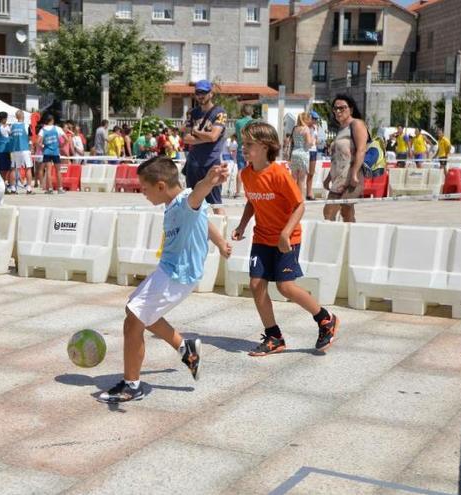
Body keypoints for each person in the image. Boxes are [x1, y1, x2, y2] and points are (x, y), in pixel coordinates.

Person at [96, 156, 230, 403]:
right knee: (134, 310)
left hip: (178, 275)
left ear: (160, 186)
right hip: (167, 270)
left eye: (145, 189)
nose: (144, 195)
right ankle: (185, 348)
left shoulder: (184, 202)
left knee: (134, 321)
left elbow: (198, 194)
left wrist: (209, 182)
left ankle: (132, 386)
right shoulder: (177, 205)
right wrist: (221, 242)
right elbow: (203, 220)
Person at [232, 121, 339, 356]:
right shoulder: (246, 173)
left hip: (286, 238)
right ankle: (274, 337)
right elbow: (252, 201)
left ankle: (325, 320)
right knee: (256, 285)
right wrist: (242, 225)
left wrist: (285, 233)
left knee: (286, 287)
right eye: (243, 143)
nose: (243, 147)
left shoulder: (279, 173)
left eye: (249, 144)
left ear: (265, 147)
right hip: (262, 237)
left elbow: (299, 205)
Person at [182, 79, 228, 215]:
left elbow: (214, 136)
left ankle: (222, 234)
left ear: (211, 93)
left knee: (215, 203)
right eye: (198, 93)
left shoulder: (219, 113)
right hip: (193, 163)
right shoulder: (193, 113)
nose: (200, 96)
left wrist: (196, 132)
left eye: (204, 92)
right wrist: (206, 137)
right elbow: (186, 138)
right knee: (192, 202)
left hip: (211, 163)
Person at [323, 94, 367, 223]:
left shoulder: (356, 124)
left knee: (343, 210)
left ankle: (349, 238)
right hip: (339, 178)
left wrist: (354, 174)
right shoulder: (341, 128)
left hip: (352, 177)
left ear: (351, 110)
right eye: (335, 108)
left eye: (342, 108)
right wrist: (328, 178)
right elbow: (338, 158)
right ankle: (339, 238)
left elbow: (361, 150)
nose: (338, 111)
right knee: (330, 212)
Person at [286, 112, 313, 199]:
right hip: (303, 153)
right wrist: (312, 142)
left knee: (294, 177)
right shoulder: (306, 129)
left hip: (294, 153)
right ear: (306, 119)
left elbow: (292, 142)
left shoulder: (295, 129)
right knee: (301, 179)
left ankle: (292, 196)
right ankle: (299, 198)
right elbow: (309, 143)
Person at [38, 115, 66, 194]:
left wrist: (42, 147)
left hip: (47, 152)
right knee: (58, 171)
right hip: (55, 152)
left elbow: (37, 141)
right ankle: (60, 188)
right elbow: (66, 139)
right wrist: (61, 145)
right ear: (52, 120)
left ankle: (50, 189)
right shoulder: (57, 129)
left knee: (48, 171)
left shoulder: (42, 130)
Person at [10, 110, 34, 194]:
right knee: (28, 168)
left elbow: (10, 136)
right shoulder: (26, 125)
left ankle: (13, 188)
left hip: (14, 150)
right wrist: (31, 148)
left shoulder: (12, 126)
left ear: (16, 117)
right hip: (24, 149)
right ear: (23, 116)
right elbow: (30, 138)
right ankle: (29, 188)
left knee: (13, 169)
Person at [234, 105, 254, 199]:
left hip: (240, 147)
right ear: (252, 112)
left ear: (242, 112)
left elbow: (237, 134)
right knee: (252, 170)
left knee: (240, 170)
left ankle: (238, 192)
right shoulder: (254, 122)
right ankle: (250, 191)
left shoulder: (237, 122)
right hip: (252, 148)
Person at [0, 111, 14, 192]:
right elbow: (10, 134)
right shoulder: (4, 128)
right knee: (5, 170)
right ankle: (3, 186)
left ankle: (1, 186)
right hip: (4, 151)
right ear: (4, 119)